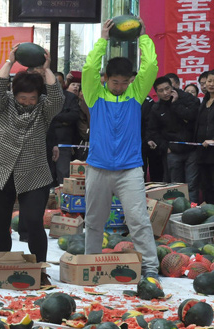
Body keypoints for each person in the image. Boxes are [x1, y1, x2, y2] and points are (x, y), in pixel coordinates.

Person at [0, 45, 63, 284]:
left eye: (32, 98)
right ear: (14, 95)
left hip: (34, 173)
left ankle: (40, 270)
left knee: (34, 221)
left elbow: (57, 97)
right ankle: (4, 265)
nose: (27, 102)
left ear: (39, 97)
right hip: (0, 171)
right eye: (22, 98)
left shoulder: (44, 110)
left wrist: (46, 70)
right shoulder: (4, 106)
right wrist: (10, 60)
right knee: (1, 224)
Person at [82, 18, 160, 281]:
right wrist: (103, 40)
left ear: (131, 80)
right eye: (115, 81)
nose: (119, 86)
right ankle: (90, 265)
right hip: (98, 168)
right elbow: (90, 67)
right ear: (106, 79)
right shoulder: (95, 95)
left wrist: (143, 38)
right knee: (94, 221)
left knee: (138, 221)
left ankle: (150, 268)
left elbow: (151, 65)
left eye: (124, 82)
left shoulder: (135, 96)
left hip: (130, 170)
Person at [147, 77, 200, 202]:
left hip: (191, 149)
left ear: (173, 87)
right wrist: (165, 147)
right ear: (156, 92)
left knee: (192, 184)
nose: (165, 93)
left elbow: (192, 116)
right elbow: (153, 130)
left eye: (167, 88)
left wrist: (175, 104)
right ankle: (178, 212)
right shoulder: (157, 108)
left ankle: (193, 210)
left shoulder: (187, 99)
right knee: (175, 186)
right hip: (172, 151)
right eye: (161, 90)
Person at [47, 76, 81, 185]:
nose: (56, 85)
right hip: (46, 142)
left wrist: (54, 117)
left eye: (59, 82)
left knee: (63, 173)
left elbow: (74, 115)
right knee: (47, 175)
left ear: (63, 84)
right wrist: (62, 121)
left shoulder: (70, 97)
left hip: (64, 142)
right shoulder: (43, 97)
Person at [196, 70, 214, 204]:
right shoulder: (204, 100)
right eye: (209, 81)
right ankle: (210, 218)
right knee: (206, 186)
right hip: (203, 152)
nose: (211, 84)